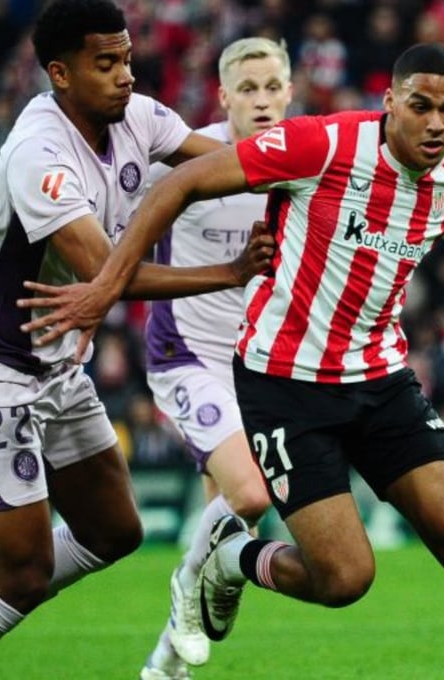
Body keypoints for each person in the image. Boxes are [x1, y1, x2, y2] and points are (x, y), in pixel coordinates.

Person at [20, 43, 444, 678]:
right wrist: (108, 286)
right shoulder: (323, 145)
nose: (436, 124)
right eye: (420, 106)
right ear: (390, 102)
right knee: (345, 579)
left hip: (381, 381)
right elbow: (182, 181)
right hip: (284, 386)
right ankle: (234, 561)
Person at [0, 2, 274, 678]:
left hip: (58, 368)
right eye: (106, 64)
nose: (125, 75)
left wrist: (321, 166)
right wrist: (230, 272)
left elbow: (226, 163)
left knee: (114, 531)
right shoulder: (37, 153)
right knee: (20, 573)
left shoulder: (140, 117)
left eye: (126, 59)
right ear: (61, 74)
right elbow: (107, 272)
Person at [138, 36, 293, 680]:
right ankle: (187, 592)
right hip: (186, 354)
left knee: (220, 533)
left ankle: (164, 665)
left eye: (273, 87)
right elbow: (119, 238)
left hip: (257, 364)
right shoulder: (186, 162)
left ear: (290, 92)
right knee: (251, 494)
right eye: (247, 89)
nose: (262, 101)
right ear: (223, 96)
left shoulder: (304, 163)